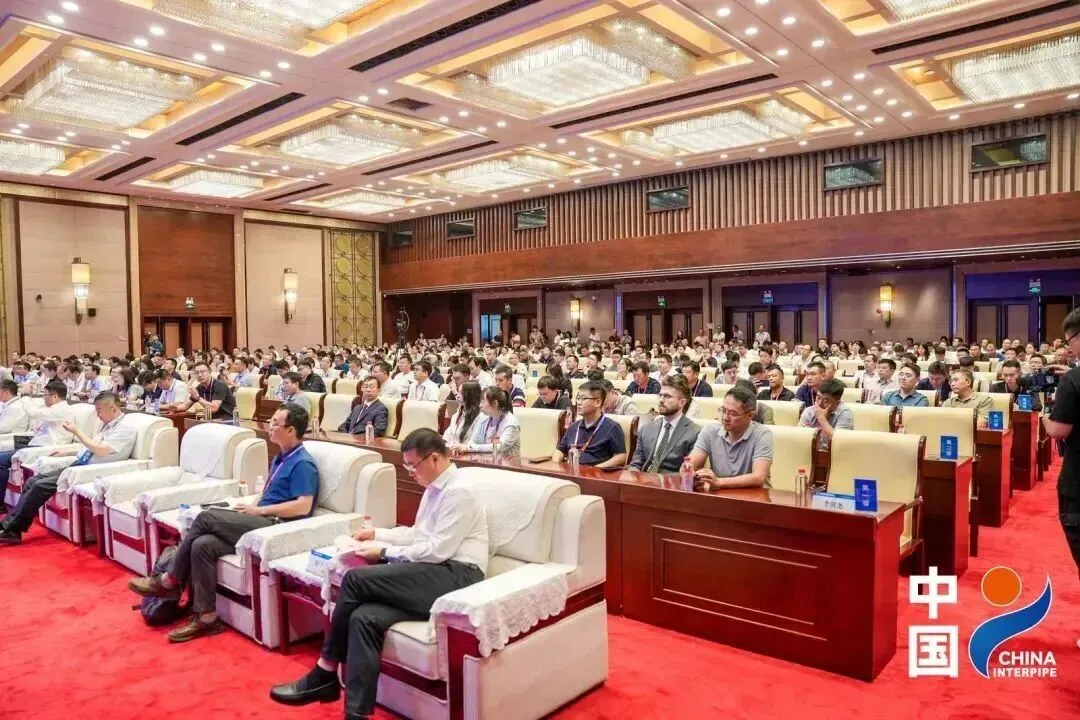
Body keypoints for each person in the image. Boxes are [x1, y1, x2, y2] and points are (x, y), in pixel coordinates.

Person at [269, 428, 487, 718]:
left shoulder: (459, 491)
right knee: (364, 617)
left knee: (355, 580)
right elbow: (418, 535)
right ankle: (356, 713)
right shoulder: (435, 487)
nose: (410, 473)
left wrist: (383, 552)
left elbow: (438, 550)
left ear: (434, 458)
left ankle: (325, 671)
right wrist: (378, 534)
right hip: (433, 572)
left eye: (413, 466)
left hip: (458, 576)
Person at [129, 404, 319, 642]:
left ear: (290, 430)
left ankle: (170, 579)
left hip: (274, 525)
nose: (270, 427)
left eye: (275, 423)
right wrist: (250, 506)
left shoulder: (302, 463)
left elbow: (303, 506)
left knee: (204, 518)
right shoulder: (282, 457)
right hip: (259, 517)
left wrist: (259, 510)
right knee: (203, 545)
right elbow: (270, 494)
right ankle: (207, 617)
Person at [0, 392, 137, 545]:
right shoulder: (107, 426)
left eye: (100, 410)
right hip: (80, 464)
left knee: (39, 486)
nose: (98, 415)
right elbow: (90, 448)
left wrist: (77, 431)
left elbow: (99, 450)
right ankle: (12, 529)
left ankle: (10, 528)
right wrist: (68, 452)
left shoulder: (125, 430)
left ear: (113, 408)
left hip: (90, 470)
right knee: (32, 481)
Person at [1044, 309, 1080, 640]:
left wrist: (1045, 414)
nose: (1068, 348)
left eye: (1070, 341)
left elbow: (1058, 430)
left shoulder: (1072, 381)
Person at [0, 381, 75, 507]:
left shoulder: (62, 409)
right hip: (35, 442)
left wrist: (25, 395)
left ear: (55, 396)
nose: (43, 398)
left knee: (1, 460)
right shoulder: (54, 408)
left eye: (45, 395)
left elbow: (32, 413)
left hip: (45, 447)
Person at [689, 386, 773, 490]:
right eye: (723, 410)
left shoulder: (762, 434)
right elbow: (689, 464)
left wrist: (719, 482)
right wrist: (692, 476)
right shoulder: (710, 430)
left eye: (733, 414)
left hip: (754, 495)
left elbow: (758, 477)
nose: (725, 417)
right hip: (720, 494)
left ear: (750, 415)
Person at [629, 376, 700, 474]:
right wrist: (633, 478)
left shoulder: (695, 433)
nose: (661, 400)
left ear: (682, 402)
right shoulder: (646, 429)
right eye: (660, 395)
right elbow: (635, 465)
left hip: (671, 481)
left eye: (667, 396)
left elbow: (686, 473)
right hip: (643, 479)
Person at [552, 380, 627, 468]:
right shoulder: (574, 426)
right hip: (571, 470)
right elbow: (560, 450)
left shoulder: (612, 427)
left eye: (583, 399)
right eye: (578, 398)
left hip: (596, 473)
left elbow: (621, 456)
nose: (578, 402)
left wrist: (598, 468)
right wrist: (556, 464)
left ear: (598, 402)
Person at [457, 387, 520, 459]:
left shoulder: (511, 423)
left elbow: (498, 447)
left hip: (508, 463)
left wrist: (469, 448)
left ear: (495, 403)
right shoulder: (483, 417)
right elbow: (474, 440)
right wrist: (467, 447)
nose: (480, 405)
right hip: (486, 461)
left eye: (483, 401)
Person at [797, 378, 854, 449]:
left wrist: (821, 418)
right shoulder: (809, 411)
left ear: (837, 403)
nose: (819, 403)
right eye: (818, 397)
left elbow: (838, 442)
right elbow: (800, 438)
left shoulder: (845, 414)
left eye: (826, 401)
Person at [443, 381, 482, 447]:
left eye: (461, 393)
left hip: (465, 450)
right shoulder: (458, 413)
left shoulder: (480, 417)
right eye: (458, 392)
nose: (457, 396)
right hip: (451, 448)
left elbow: (473, 443)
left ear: (470, 395)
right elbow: (447, 436)